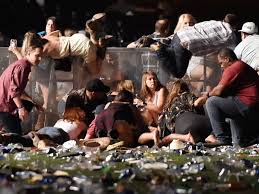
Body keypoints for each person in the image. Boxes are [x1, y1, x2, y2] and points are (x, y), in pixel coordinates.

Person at [195, 48, 259, 147]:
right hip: (249, 105)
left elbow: (219, 90)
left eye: (221, 63)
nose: (221, 66)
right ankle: (243, 141)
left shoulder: (233, 68)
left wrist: (206, 96)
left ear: (227, 59)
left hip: (247, 103)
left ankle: (222, 138)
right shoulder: (241, 65)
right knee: (238, 144)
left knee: (212, 102)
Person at [151, 14, 238, 78]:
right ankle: (159, 50)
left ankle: (155, 43)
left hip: (178, 36)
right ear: (235, 26)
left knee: (171, 54)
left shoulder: (214, 22)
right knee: (179, 74)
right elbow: (236, 54)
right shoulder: (231, 35)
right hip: (185, 46)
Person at [0, 33, 44, 134]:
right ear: (28, 53)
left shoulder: (24, 65)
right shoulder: (22, 67)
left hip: (6, 103)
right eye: (37, 56)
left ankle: (9, 125)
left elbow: (19, 89)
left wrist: (33, 102)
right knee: (17, 140)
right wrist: (21, 108)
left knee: (29, 104)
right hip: (3, 106)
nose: (40, 59)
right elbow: (14, 91)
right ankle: (9, 125)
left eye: (41, 56)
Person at [155, 79, 212, 146]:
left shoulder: (167, 106)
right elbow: (197, 103)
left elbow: (160, 128)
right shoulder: (187, 95)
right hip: (204, 123)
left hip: (183, 127)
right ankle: (210, 136)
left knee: (166, 139)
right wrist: (206, 96)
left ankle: (188, 138)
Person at [0, 107, 88, 148]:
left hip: (48, 129)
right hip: (61, 133)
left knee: (26, 138)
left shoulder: (61, 121)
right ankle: (39, 138)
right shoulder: (80, 123)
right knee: (46, 139)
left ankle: (7, 137)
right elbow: (87, 131)